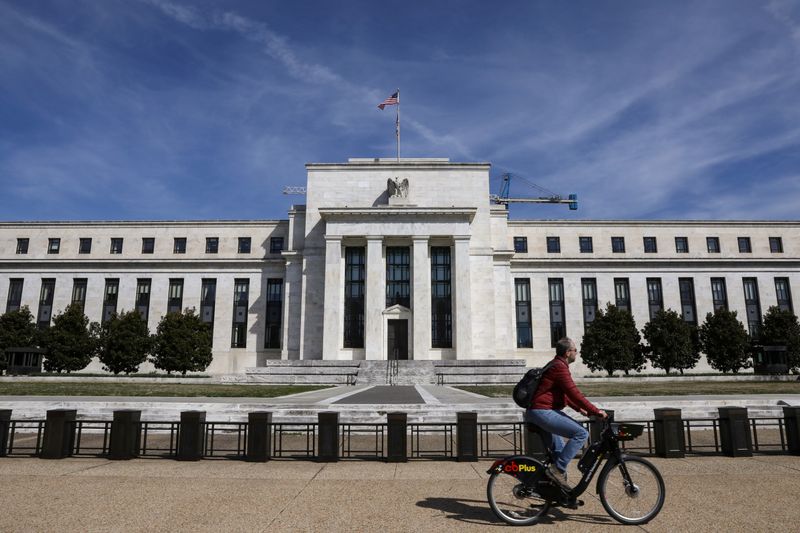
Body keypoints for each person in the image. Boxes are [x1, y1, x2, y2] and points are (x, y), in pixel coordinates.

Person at [526, 337, 607, 488]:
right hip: (542, 411)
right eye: (575, 350)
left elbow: (564, 394)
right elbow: (574, 393)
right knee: (581, 433)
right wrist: (596, 411)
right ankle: (557, 470)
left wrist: (579, 409)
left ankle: (556, 493)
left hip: (538, 411)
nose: (577, 352)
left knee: (559, 452)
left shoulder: (556, 364)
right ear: (568, 352)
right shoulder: (559, 367)